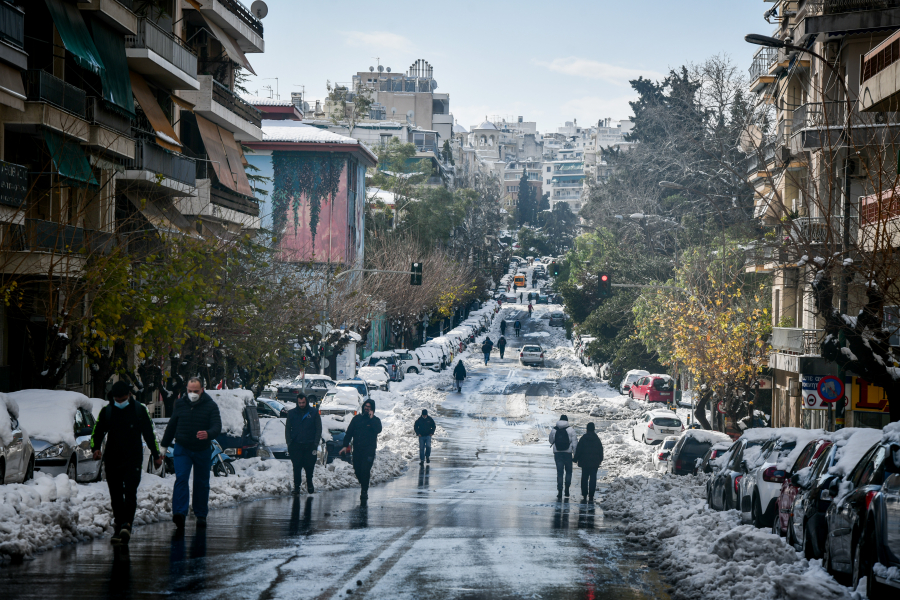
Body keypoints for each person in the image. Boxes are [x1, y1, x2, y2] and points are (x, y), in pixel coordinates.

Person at [90, 381, 162, 544]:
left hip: (133, 459)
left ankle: (126, 525)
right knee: (115, 495)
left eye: (122, 398)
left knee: (130, 492)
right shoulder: (107, 411)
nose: (120, 401)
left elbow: (149, 434)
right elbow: (97, 431)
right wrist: (95, 448)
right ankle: (118, 525)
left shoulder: (139, 410)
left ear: (129, 395)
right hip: (113, 459)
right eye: (117, 399)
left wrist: (156, 455)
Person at [160, 377, 222, 530]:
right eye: (189, 391)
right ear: (186, 390)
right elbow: (172, 425)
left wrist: (208, 433)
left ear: (202, 390)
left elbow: (217, 426)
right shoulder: (180, 404)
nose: (192, 394)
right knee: (181, 479)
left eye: (195, 391)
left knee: (201, 482)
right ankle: (179, 513)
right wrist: (163, 446)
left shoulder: (211, 406)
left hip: (202, 449)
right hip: (182, 448)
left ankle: (201, 514)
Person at [339, 399, 382, 503]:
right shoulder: (356, 419)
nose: (367, 408)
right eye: (366, 406)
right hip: (357, 450)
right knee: (357, 470)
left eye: (369, 407)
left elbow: (378, 430)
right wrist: (345, 445)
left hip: (369, 451)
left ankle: (364, 491)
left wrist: (371, 419)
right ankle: (364, 484)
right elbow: (349, 433)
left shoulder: (375, 420)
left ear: (373, 409)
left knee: (365, 470)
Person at [284, 393, 322, 495]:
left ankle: (309, 482)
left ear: (306, 402)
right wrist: (289, 442)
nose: (301, 404)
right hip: (296, 445)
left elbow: (319, 428)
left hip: (310, 445)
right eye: (299, 403)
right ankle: (297, 487)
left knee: (309, 466)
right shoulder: (292, 413)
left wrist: (315, 443)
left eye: (303, 402)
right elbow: (287, 429)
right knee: (296, 467)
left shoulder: (313, 412)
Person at [573, 422, 604, 503]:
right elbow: (601, 450)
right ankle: (591, 495)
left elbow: (579, 450)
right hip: (594, 462)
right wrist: (600, 459)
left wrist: (575, 459)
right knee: (593, 478)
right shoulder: (597, 439)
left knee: (584, 478)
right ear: (594, 429)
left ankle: (584, 494)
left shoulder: (583, 438)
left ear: (587, 429)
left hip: (585, 462)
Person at [549, 415, 577, 499]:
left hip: (557, 453)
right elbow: (575, 444)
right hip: (568, 454)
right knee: (568, 472)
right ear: (567, 421)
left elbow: (551, 441)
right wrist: (575, 456)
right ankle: (567, 489)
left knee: (560, 472)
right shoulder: (571, 430)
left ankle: (560, 491)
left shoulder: (554, 429)